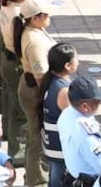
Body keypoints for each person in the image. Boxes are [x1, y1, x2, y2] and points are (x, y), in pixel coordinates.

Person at [0, 0, 39, 167]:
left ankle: (9, 136)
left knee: (10, 99)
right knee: (20, 111)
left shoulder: (7, 6)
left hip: (7, 58)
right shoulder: (17, 16)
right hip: (16, 63)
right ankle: (18, 152)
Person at [17, 0, 56, 185]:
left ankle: (31, 176)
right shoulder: (35, 41)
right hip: (35, 91)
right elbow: (40, 76)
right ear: (34, 18)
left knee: (34, 135)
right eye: (46, 15)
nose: (49, 17)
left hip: (30, 86)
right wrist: (48, 99)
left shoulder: (35, 31)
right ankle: (37, 180)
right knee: (38, 140)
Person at [58, 76, 101, 185]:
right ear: (85, 106)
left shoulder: (67, 113)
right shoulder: (86, 135)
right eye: (98, 101)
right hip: (89, 182)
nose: (100, 103)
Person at [40, 43, 79, 187]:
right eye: (76, 58)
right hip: (59, 145)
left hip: (51, 141)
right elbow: (73, 117)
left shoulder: (51, 81)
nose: (78, 60)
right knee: (59, 178)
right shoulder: (63, 90)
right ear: (68, 66)